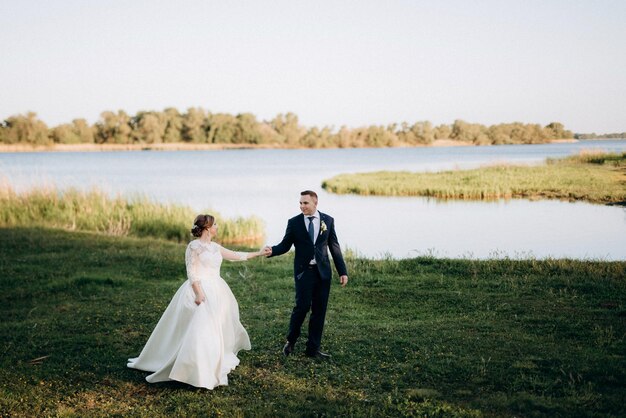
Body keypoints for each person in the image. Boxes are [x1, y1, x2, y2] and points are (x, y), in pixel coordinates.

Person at [128, 214, 270, 389]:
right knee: (200, 327)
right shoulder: (193, 247)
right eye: (215, 224)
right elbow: (192, 272)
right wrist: (198, 293)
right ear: (208, 228)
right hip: (200, 290)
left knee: (214, 326)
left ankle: (206, 362)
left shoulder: (215, 247)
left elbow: (236, 255)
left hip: (217, 290)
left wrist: (259, 252)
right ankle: (192, 368)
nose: (217, 227)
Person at [266, 190, 348, 359]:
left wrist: (343, 271)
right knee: (302, 307)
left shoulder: (328, 220)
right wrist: (272, 251)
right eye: (300, 203)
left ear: (315, 203)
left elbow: (334, 246)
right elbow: (285, 245)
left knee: (319, 311)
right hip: (304, 273)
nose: (302, 206)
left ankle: (313, 349)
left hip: (323, 273)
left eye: (305, 203)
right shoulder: (294, 222)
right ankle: (291, 341)